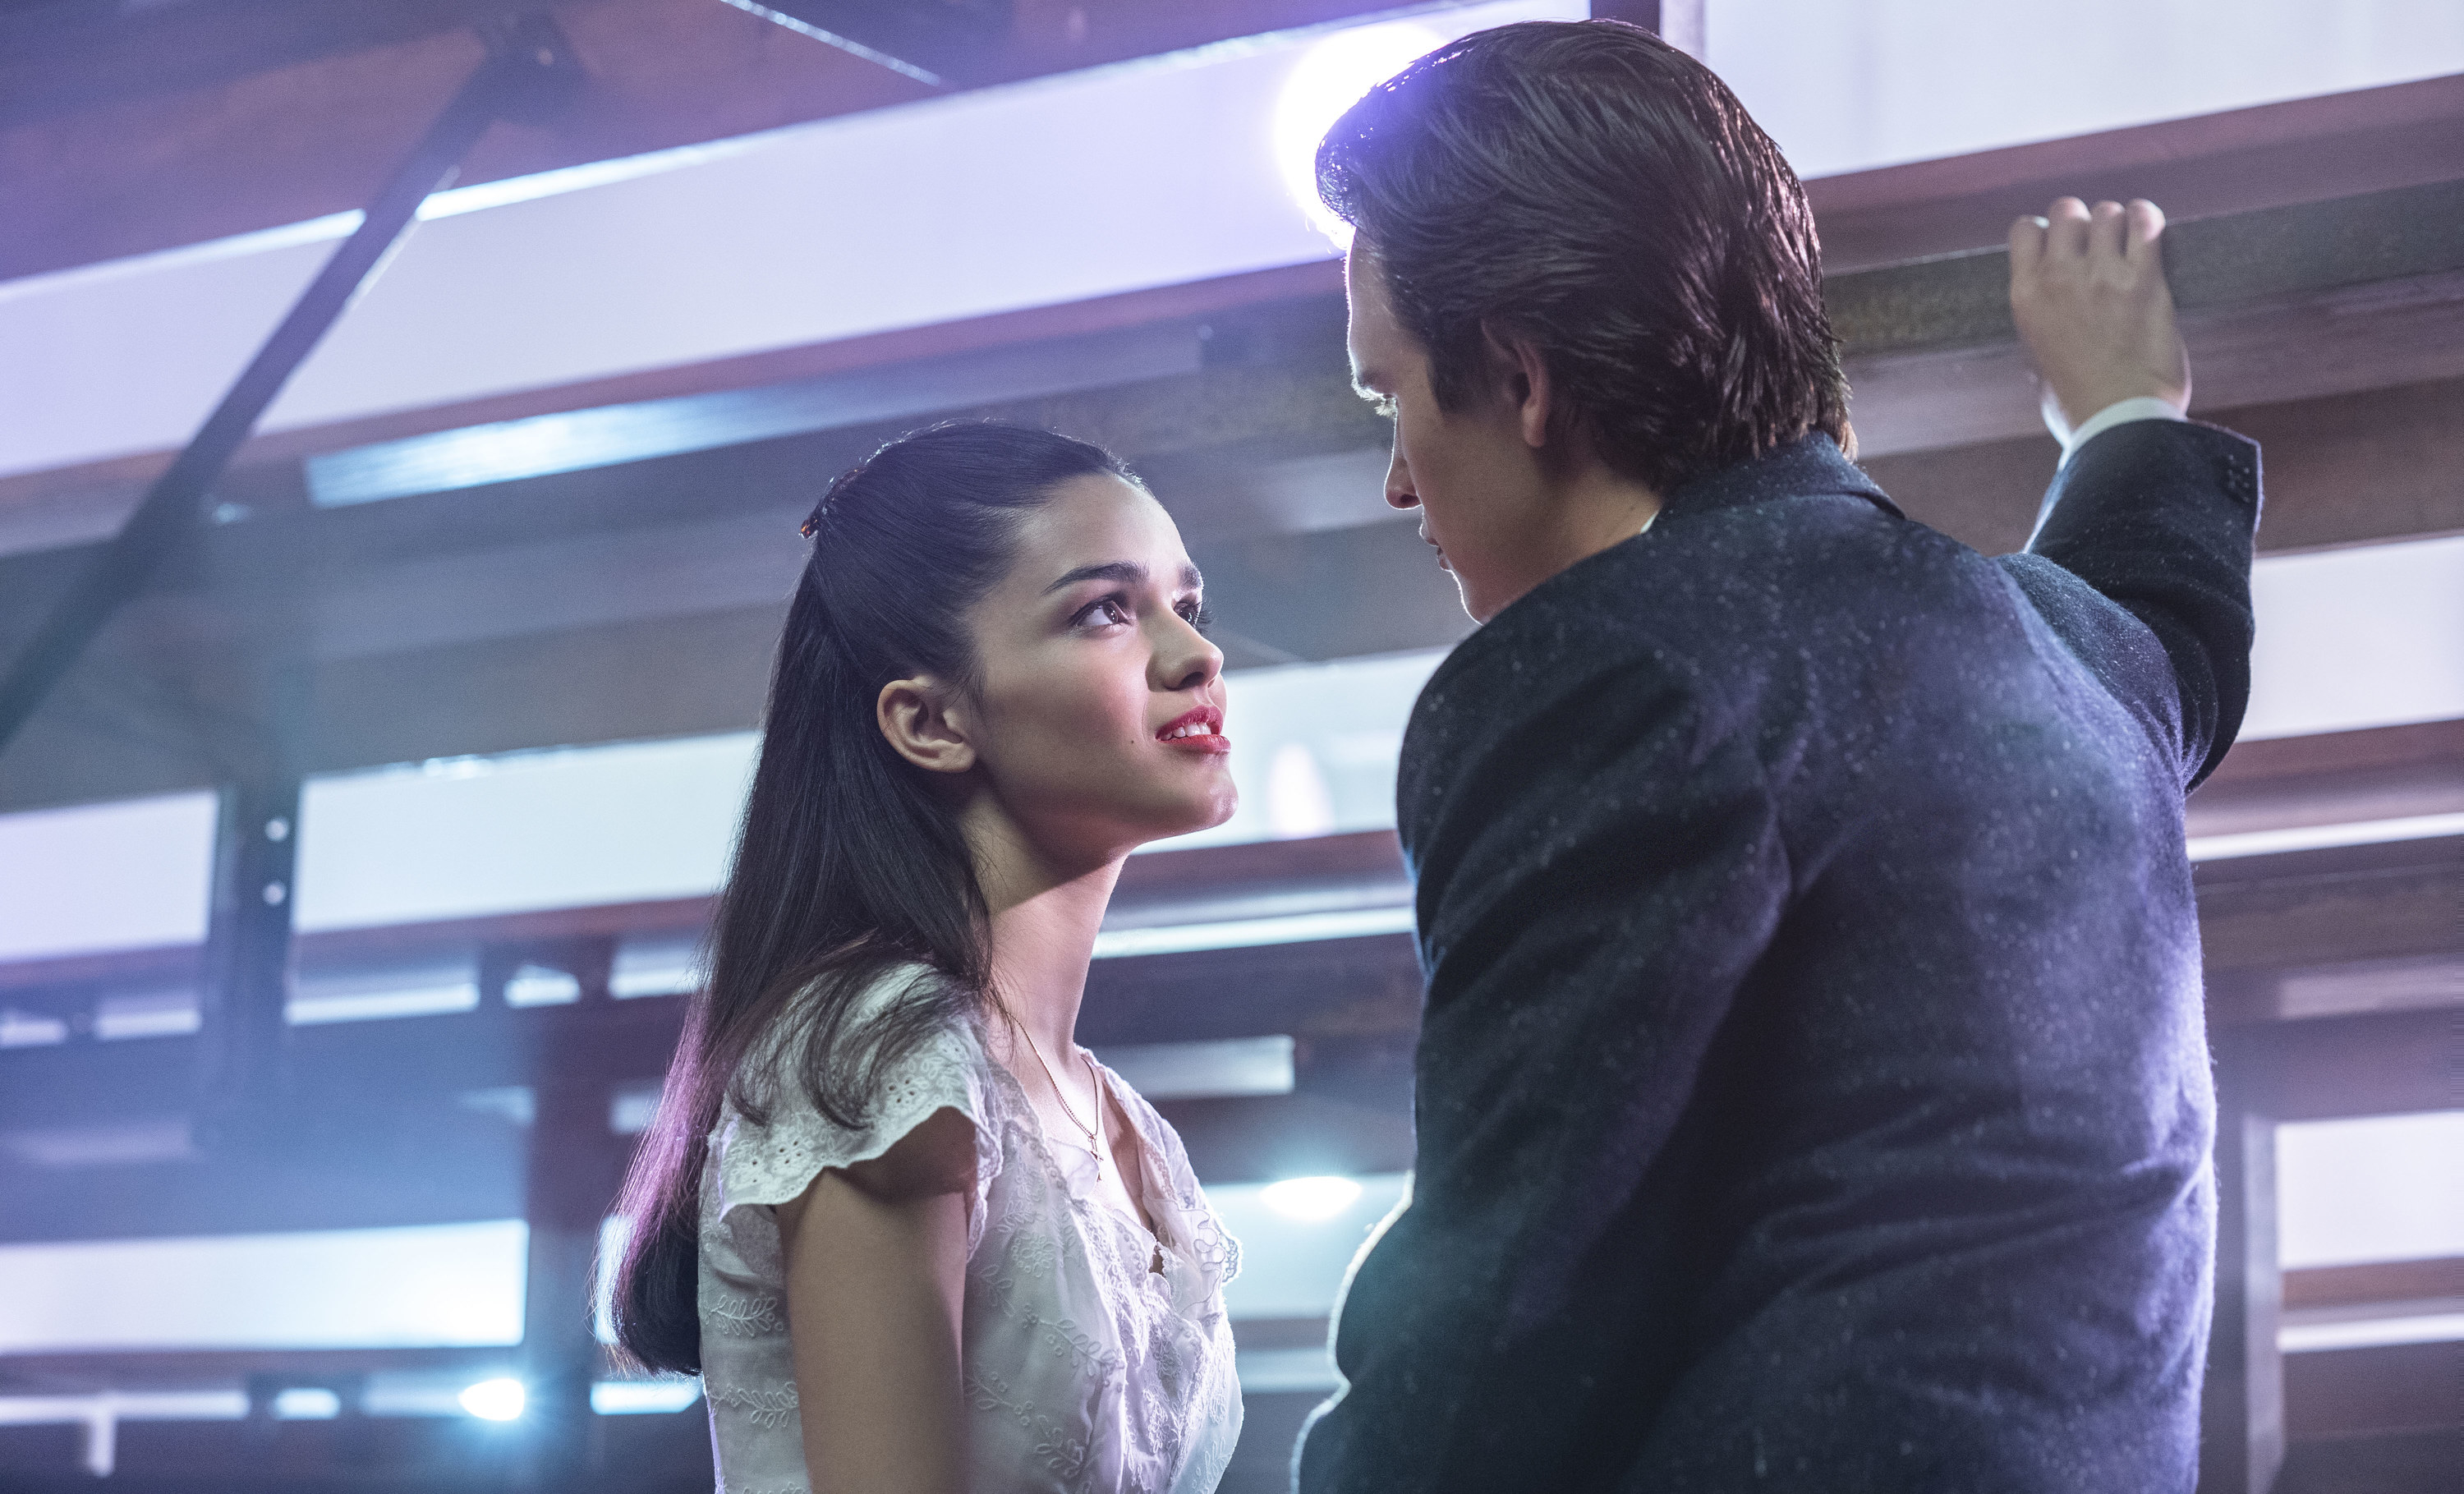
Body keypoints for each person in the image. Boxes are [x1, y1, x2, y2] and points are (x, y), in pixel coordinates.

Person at [1295, 20, 2259, 1493]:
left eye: (1392, 396)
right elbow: (2173, 634)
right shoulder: (2074, 658)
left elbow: (1506, 1308)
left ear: (1519, 378)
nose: (1393, 472)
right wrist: (2127, 417)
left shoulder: (1605, 669)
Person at [609, 421, 1248, 1494]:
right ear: (931, 721)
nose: (1196, 655)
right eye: (1105, 610)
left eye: (1188, 606)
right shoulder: (880, 1046)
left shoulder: (1123, 1124)